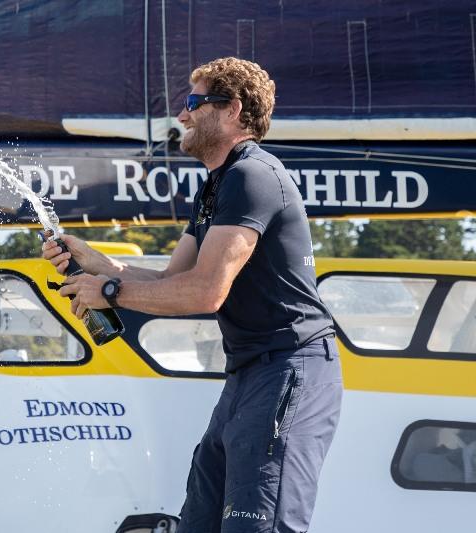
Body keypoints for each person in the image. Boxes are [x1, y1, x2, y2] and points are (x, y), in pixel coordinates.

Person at [42, 57, 342, 533]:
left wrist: (111, 291)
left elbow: (205, 293)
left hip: (290, 368)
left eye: (192, 103)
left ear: (232, 110)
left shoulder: (253, 176)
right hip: (250, 374)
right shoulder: (219, 186)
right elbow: (171, 281)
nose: (180, 116)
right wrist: (96, 262)